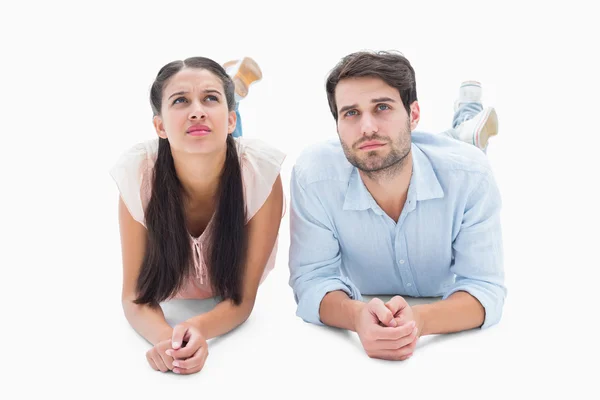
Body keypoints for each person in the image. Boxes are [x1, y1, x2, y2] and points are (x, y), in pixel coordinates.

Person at [288, 50, 505, 361]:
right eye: (350, 113)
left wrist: (422, 320)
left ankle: (468, 118)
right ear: (336, 125)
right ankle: (464, 127)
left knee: (464, 149)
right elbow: (311, 281)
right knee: (411, 145)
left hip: (450, 159)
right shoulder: (314, 178)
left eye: (382, 107)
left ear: (414, 115)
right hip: (422, 152)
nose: (366, 127)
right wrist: (355, 315)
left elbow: (486, 288)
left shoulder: (470, 175)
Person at [110, 56, 284, 374]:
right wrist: (168, 340)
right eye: (180, 100)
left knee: (217, 140)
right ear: (159, 126)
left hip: (231, 154)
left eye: (210, 98)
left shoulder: (262, 176)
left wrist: (199, 328)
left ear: (230, 121)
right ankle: (234, 87)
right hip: (188, 151)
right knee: (204, 133)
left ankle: (235, 90)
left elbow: (243, 300)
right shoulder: (137, 175)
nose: (197, 109)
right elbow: (134, 298)